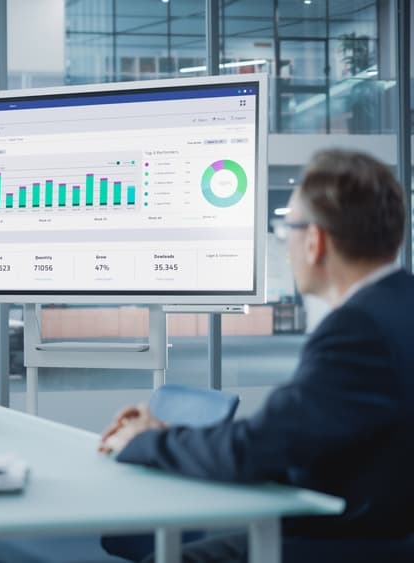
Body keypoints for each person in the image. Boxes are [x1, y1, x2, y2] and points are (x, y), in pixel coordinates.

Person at [99, 149, 414, 562]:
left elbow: (260, 449)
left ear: (315, 241)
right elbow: (302, 433)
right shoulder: (399, 306)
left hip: (346, 544)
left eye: (287, 232)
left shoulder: (357, 331)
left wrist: (147, 441)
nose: (286, 248)